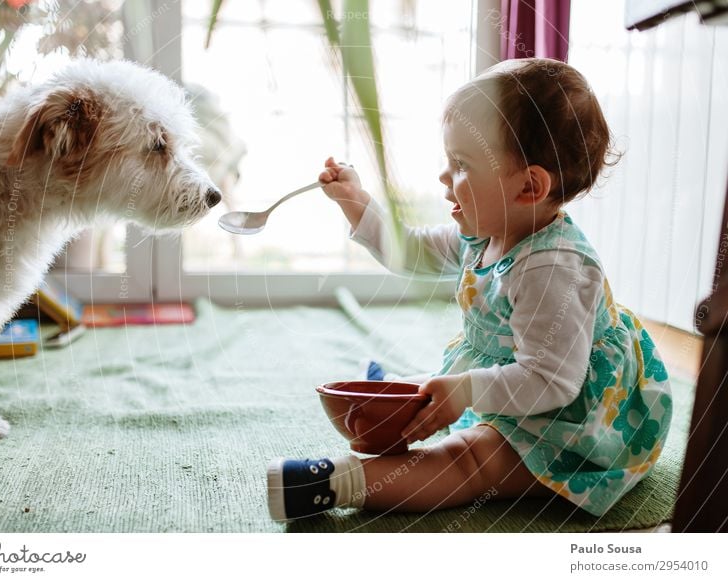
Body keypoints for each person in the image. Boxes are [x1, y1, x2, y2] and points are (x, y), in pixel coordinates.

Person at [266, 58, 673, 523]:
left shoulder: (555, 268)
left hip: (577, 425)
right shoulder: (486, 232)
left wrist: (464, 392)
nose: (444, 177)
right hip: (519, 386)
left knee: (471, 460)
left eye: (461, 164)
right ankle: (402, 405)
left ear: (528, 186)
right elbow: (412, 252)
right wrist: (357, 204)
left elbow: (551, 381)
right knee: (431, 396)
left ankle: (333, 483)